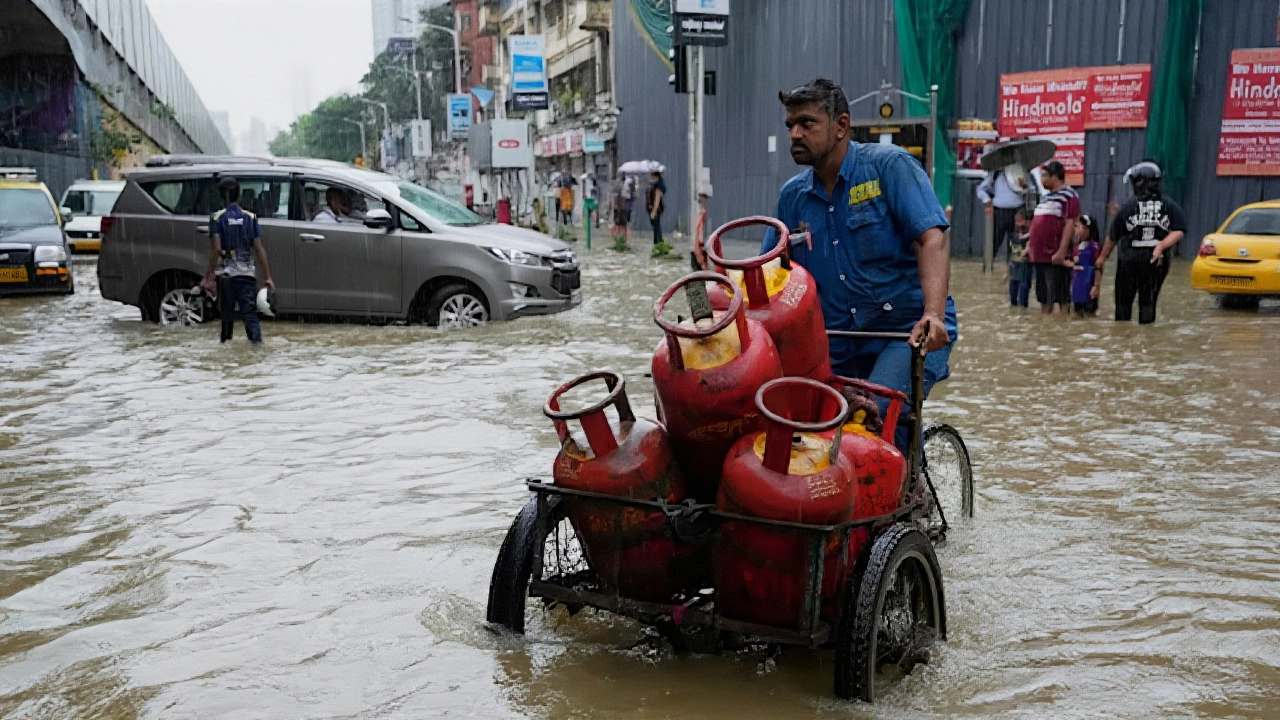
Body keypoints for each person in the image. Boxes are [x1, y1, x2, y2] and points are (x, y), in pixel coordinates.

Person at [765, 78, 955, 453]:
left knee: (872, 417)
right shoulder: (793, 197)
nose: (795, 134)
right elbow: (770, 274)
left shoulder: (890, 168)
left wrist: (933, 314)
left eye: (807, 123)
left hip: (905, 333)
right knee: (803, 425)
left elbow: (932, 238)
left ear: (841, 126)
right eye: (790, 126)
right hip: (835, 342)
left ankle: (906, 496)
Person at [1097, 161, 1186, 324]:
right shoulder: (1169, 205)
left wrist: (1102, 258)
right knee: (1147, 306)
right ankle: (1146, 344)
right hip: (1153, 264)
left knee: (1124, 307)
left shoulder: (1128, 207)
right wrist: (1162, 245)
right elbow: (1179, 230)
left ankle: (1123, 341)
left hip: (1131, 263)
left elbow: (1112, 237)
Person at [200, 177, 274, 344]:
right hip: (247, 277)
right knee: (251, 318)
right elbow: (259, 248)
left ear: (222, 196)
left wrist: (208, 277)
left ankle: (226, 353)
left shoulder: (216, 218)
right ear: (238, 195)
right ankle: (256, 351)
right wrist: (268, 277)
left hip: (227, 278)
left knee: (226, 319)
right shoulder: (251, 217)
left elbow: (216, 249)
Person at [1027, 161, 1079, 314]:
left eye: (1044, 176)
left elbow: (1070, 223)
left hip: (1055, 256)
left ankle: (1061, 330)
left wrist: (1062, 251)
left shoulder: (1069, 196)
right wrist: (1030, 247)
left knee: (1062, 298)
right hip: (1040, 256)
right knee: (1044, 299)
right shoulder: (1046, 198)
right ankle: (1046, 331)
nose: (1042, 179)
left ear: (1055, 177)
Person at [977, 166, 1028, 264]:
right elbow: (981, 189)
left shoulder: (1021, 169)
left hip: (1018, 211)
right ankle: (988, 268)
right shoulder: (995, 171)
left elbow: (1031, 188)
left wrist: (1024, 186)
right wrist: (986, 199)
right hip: (999, 212)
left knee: (1017, 246)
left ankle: (1015, 274)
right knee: (993, 245)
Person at [1067, 215, 1103, 316]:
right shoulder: (1075, 247)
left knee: (1090, 315)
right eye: (1076, 227)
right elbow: (1073, 268)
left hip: (1089, 287)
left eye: (1080, 227)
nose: (1077, 230)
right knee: (1077, 314)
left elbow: (1099, 268)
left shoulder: (1094, 247)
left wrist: (1096, 286)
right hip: (1077, 288)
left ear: (1088, 229)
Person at [1003, 208, 1032, 308]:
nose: (1018, 223)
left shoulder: (1030, 236)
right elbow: (1009, 253)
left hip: (1025, 269)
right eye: (1016, 221)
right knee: (1012, 296)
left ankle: (1023, 314)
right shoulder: (1012, 236)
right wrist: (1006, 272)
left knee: (1023, 296)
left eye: (1021, 220)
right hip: (1014, 269)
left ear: (1027, 221)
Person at [647, 168, 669, 255]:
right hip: (655, 208)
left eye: (651, 174)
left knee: (657, 228)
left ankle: (658, 245)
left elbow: (657, 198)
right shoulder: (656, 184)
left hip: (656, 209)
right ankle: (657, 245)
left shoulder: (658, 185)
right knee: (656, 227)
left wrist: (654, 211)